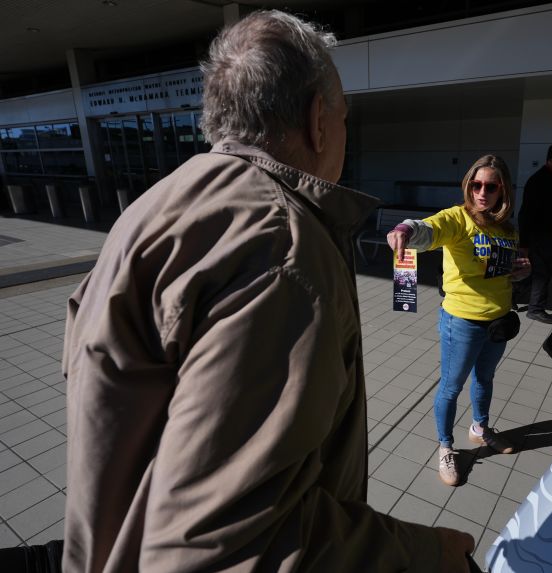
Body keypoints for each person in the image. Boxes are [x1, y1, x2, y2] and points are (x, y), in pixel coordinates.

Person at [61, 10, 475, 573]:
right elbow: (224, 548)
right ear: (318, 121)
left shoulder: (151, 210)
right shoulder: (282, 249)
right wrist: (429, 554)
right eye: (345, 117)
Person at [387, 155, 530, 486]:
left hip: (498, 319)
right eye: (475, 185)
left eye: (490, 186)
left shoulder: (507, 228)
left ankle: (479, 428)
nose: (482, 192)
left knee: (485, 379)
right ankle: (446, 447)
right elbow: (428, 229)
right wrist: (405, 229)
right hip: (462, 322)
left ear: (502, 190)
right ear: (468, 186)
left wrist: (523, 270)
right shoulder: (457, 219)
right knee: (451, 387)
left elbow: (508, 269)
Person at [516, 142, 552, 324]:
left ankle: (511, 296)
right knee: (542, 271)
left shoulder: (550, 177)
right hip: (539, 235)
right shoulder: (540, 180)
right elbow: (526, 213)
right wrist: (524, 243)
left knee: (533, 271)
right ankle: (536, 309)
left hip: (544, 234)